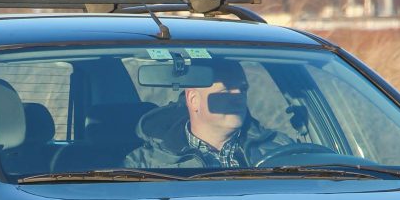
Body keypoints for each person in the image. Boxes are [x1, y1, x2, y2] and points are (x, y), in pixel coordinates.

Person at [124, 58, 293, 168]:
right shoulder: (144, 165)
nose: (238, 97)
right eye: (225, 91)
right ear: (193, 100)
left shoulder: (281, 149)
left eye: (242, 89)